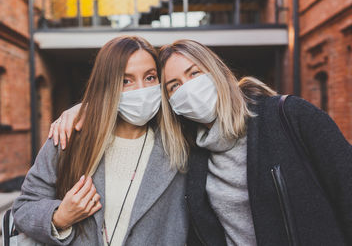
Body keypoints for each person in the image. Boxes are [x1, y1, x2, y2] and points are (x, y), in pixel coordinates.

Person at [52, 39, 352, 246]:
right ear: (169, 101)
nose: (188, 88)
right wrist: (86, 107)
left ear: (216, 70)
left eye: (194, 73)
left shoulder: (289, 116)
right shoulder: (189, 149)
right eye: (173, 85)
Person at [12, 36, 189, 246]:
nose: (141, 89)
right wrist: (60, 217)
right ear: (108, 85)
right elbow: (24, 208)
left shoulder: (181, 141)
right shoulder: (70, 137)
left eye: (150, 77)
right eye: (126, 80)